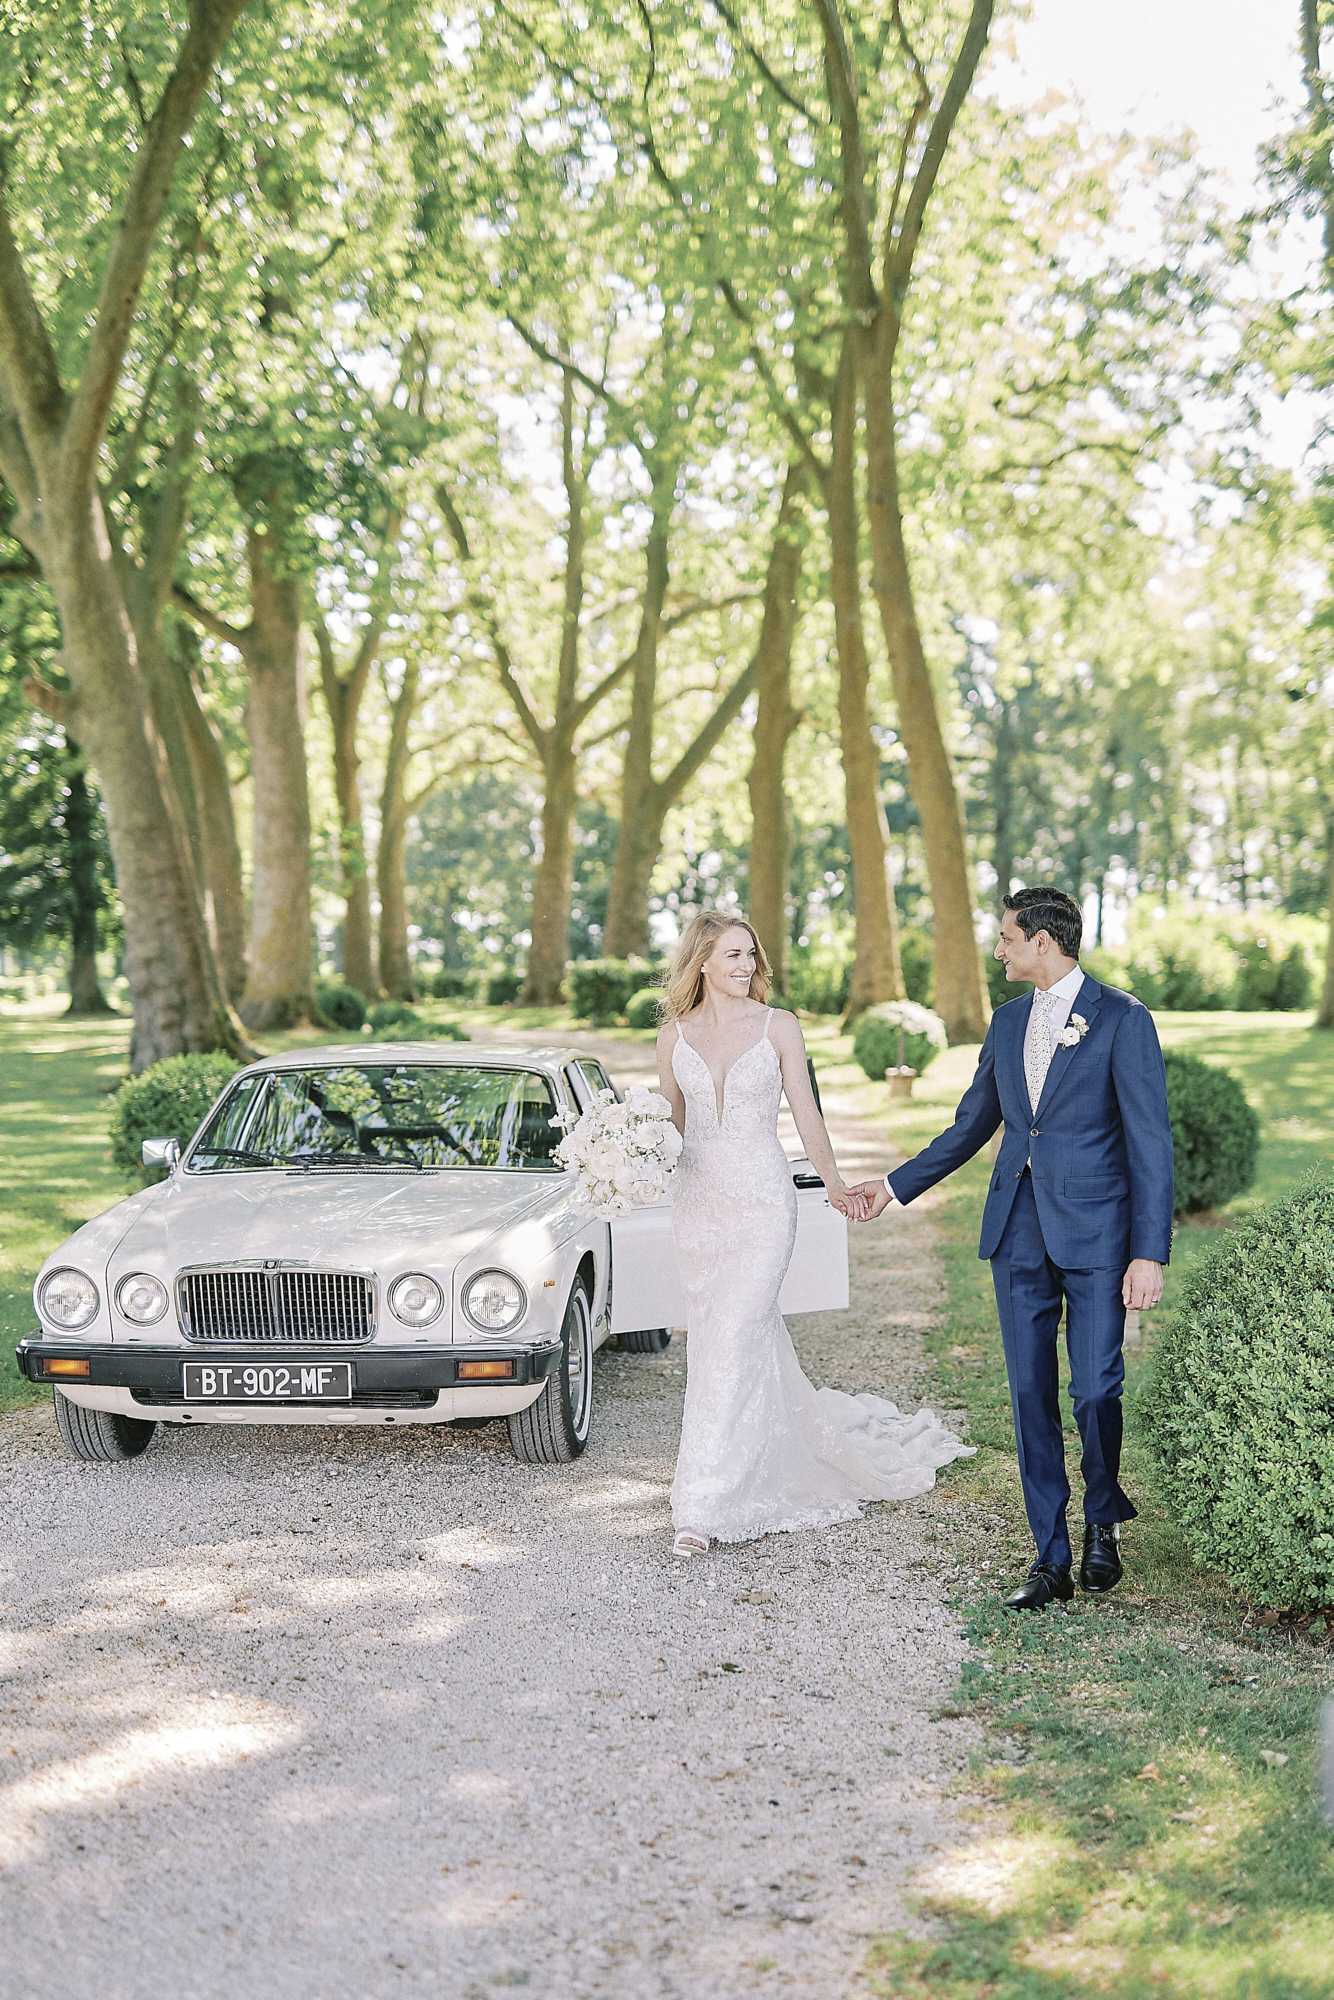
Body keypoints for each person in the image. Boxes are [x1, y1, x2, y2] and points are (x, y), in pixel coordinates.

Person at [849, 888, 1174, 1610]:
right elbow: (971, 1126)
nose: (997, 950)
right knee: (1030, 1397)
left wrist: (1148, 1252)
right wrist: (893, 1187)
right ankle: (1049, 1555)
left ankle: (1101, 1522)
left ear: (1043, 943)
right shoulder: (1005, 1024)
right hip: (1017, 1232)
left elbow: (1151, 1141)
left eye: (1006, 938)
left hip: (1097, 1234)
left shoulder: (1123, 1019)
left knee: (1095, 1389)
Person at [656, 910, 975, 1559]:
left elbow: (805, 1113)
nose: (745, 966)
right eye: (732, 956)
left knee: (738, 1332)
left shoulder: (780, 1028)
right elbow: (669, 1129)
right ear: (702, 964)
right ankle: (754, 1462)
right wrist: (625, 1160)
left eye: (751, 954)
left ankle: (702, 1503)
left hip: (762, 1203)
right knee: (718, 1341)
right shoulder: (674, 1036)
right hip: (699, 1205)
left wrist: (834, 1185)